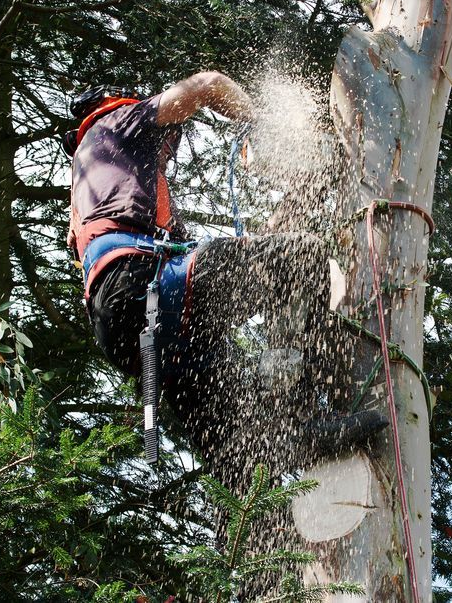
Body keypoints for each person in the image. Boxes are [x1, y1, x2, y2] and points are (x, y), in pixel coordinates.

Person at [62, 72, 385, 477]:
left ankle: (289, 451)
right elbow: (208, 84)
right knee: (302, 256)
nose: (166, 156)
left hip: (129, 331)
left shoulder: (93, 190)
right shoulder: (117, 122)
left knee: (242, 450)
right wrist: (264, 124)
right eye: (165, 146)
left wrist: (287, 212)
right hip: (148, 291)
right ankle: (308, 400)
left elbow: (241, 265)